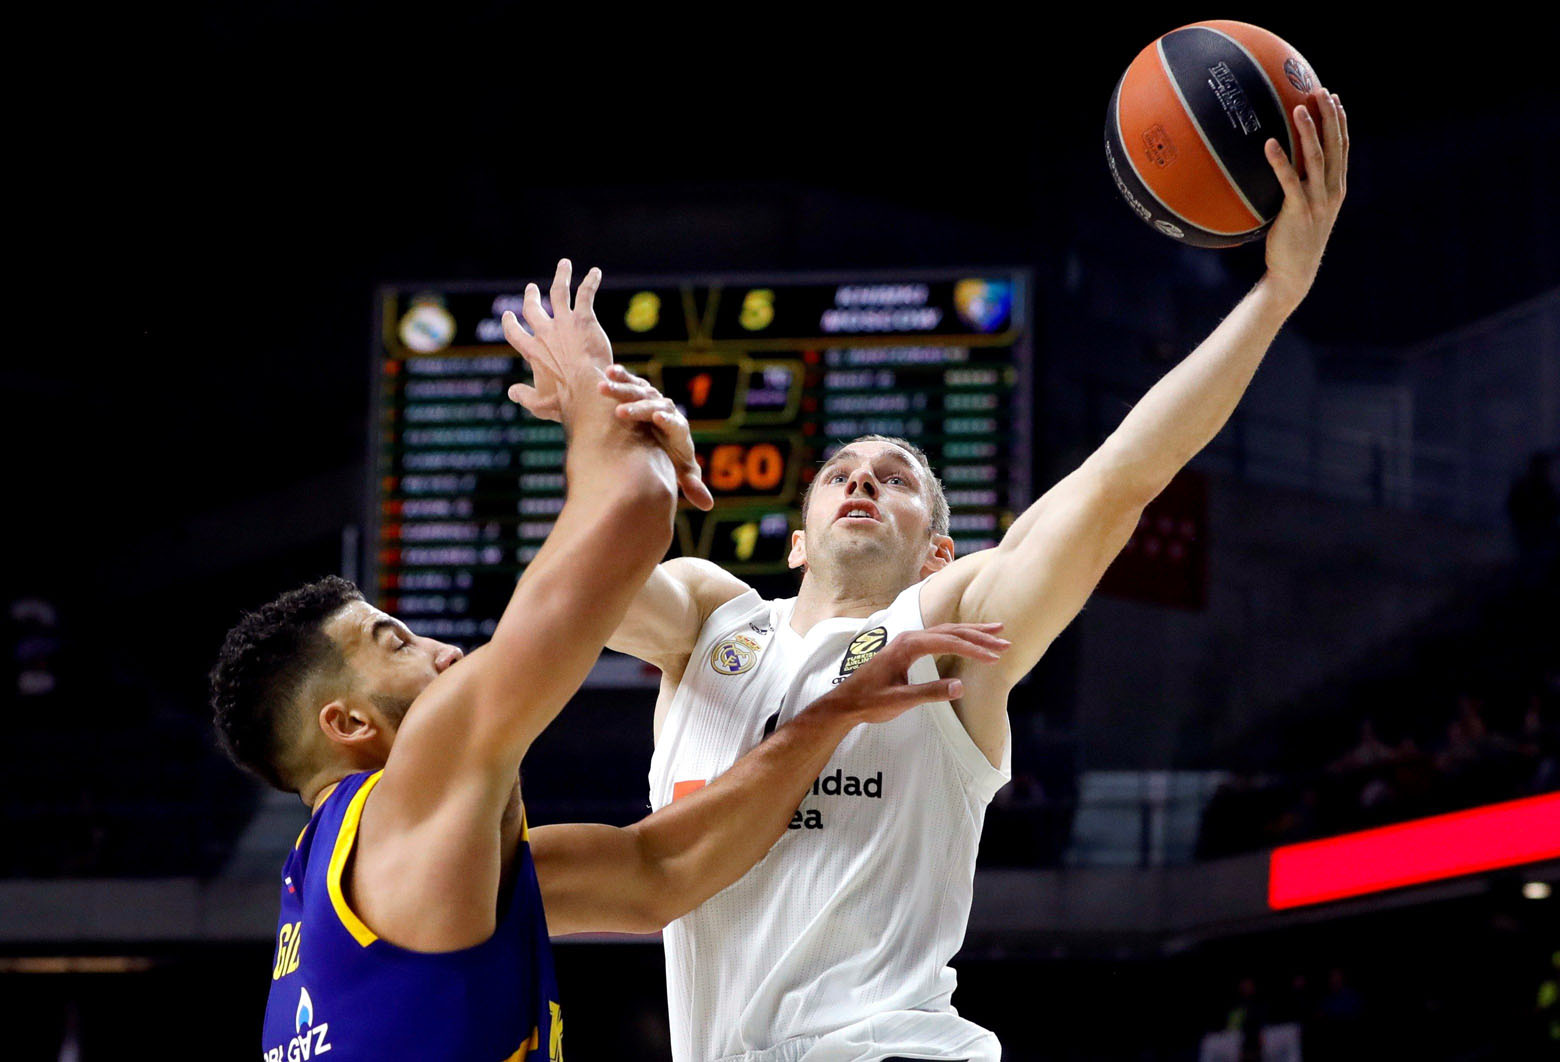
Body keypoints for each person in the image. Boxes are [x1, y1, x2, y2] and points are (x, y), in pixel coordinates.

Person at [561, 88, 1350, 1060]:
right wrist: (617, 450)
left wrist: (1275, 296)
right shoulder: (714, 619)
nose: (863, 482)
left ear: (936, 549)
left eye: (896, 481)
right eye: (842, 474)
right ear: (797, 541)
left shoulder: (948, 623)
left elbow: (1118, 483)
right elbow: (578, 596)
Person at [210, 259, 1012, 1061]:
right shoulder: (426, 776)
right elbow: (633, 510)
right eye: (397, 642)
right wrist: (598, 399)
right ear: (346, 721)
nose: (445, 648)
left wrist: (832, 710)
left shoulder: (350, 874)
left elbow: (657, 870)